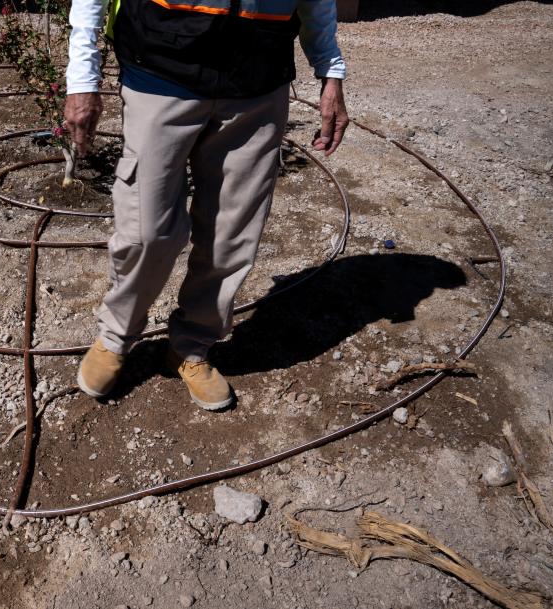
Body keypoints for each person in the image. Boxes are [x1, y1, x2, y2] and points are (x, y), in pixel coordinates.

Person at [64, 0, 350, 410]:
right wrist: (82, 79)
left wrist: (330, 71)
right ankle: (115, 337)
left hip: (258, 84)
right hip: (161, 71)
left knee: (232, 233)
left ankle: (192, 346)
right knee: (147, 232)